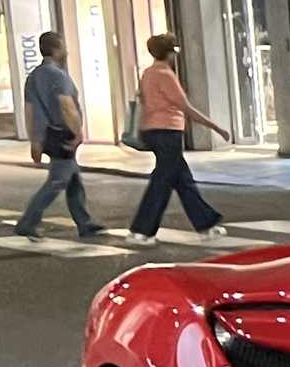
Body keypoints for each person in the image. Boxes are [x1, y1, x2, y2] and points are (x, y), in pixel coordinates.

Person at [127, 35, 230, 245]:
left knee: (183, 181)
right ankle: (141, 230)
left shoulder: (148, 73)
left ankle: (206, 225)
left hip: (153, 131)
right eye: (174, 50)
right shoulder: (165, 74)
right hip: (168, 131)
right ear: (169, 52)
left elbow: (145, 103)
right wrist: (216, 127)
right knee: (162, 182)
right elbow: (185, 107)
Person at [13, 32, 107, 240]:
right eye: (64, 46)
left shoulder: (34, 77)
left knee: (72, 178)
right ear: (57, 49)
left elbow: (29, 110)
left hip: (47, 135)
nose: (67, 50)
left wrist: (34, 140)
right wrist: (78, 132)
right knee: (57, 180)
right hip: (62, 133)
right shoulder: (58, 75)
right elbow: (66, 106)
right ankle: (28, 221)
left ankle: (85, 221)